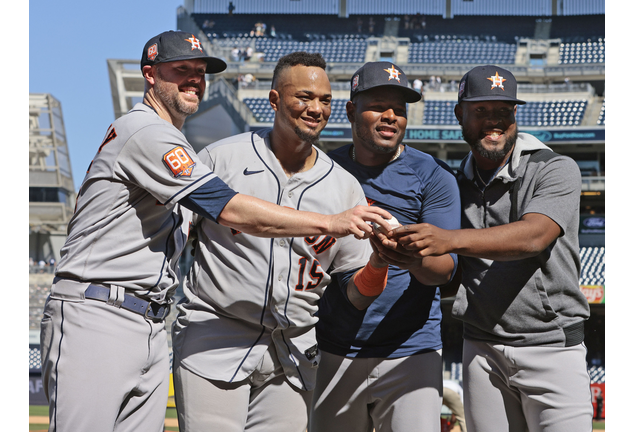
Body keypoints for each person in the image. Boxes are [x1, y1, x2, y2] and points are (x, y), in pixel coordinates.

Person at [40, 32, 391, 432]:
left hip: (152, 320)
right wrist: (329, 222)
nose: (194, 80)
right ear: (149, 75)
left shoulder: (176, 142)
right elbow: (227, 207)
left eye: (200, 72)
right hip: (100, 309)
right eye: (181, 71)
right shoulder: (146, 132)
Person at [170, 52, 392, 432]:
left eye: (325, 100)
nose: (316, 108)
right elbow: (173, 239)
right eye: (303, 97)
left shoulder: (344, 186)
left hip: (292, 352)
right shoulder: (220, 158)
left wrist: (380, 262)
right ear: (274, 100)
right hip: (216, 336)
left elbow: (357, 294)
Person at [385, 65, 593, 432]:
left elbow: (534, 236)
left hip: (552, 346)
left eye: (503, 112)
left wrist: (448, 239)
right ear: (459, 114)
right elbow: (448, 271)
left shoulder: (555, 167)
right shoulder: (451, 182)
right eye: (481, 111)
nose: (494, 122)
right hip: (481, 348)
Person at [310, 61, 461, 432]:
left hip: (411, 350)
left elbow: (445, 270)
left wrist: (405, 257)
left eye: (400, 109)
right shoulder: (322, 171)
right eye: (378, 105)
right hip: (333, 347)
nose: (391, 116)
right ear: (350, 110)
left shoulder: (433, 176)